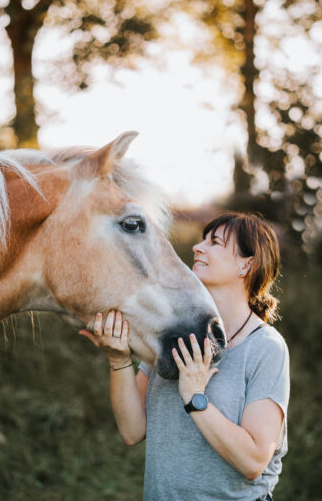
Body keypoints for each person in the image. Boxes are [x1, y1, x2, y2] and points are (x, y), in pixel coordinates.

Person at [79, 213, 290, 501]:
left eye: (214, 242)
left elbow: (253, 462)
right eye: (203, 239)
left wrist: (195, 398)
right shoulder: (174, 328)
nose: (197, 247)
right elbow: (132, 430)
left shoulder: (266, 348)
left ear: (246, 264)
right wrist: (118, 359)